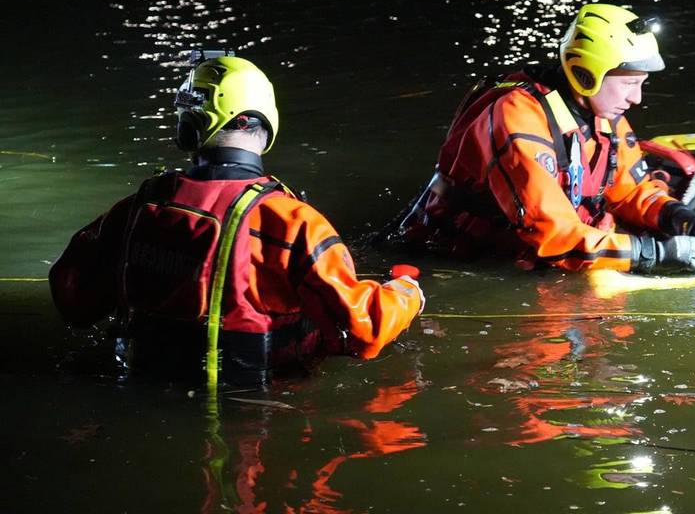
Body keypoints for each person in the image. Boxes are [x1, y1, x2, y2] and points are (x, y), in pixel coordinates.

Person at [49, 53, 424, 382]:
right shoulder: (294, 222)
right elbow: (363, 330)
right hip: (259, 409)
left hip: (144, 389)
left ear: (189, 127)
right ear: (263, 124)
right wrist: (406, 294)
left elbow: (73, 301)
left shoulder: (135, 210)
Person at [401, 3, 695, 274]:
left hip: (548, 248)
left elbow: (628, 193)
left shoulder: (602, 111)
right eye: (629, 83)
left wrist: (673, 214)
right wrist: (652, 254)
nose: (637, 98)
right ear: (585, 74)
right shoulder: (518, 116)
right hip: (459, 258)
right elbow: (552, 236)